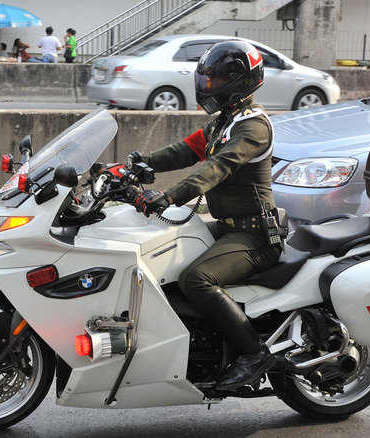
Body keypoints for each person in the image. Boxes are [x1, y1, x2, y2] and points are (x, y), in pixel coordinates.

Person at [132, 41, 280, 391]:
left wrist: (170, 196)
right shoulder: (223, 122)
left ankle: (254, 353)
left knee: (196, 279)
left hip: (256, 235)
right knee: (158, 250)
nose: (206, 87)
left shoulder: (253, 127)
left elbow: (218, 168)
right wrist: (136, 164)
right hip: (227, 228)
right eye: (205, 79)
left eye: (213, 80)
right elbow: (186, 150)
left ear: (238, 80)